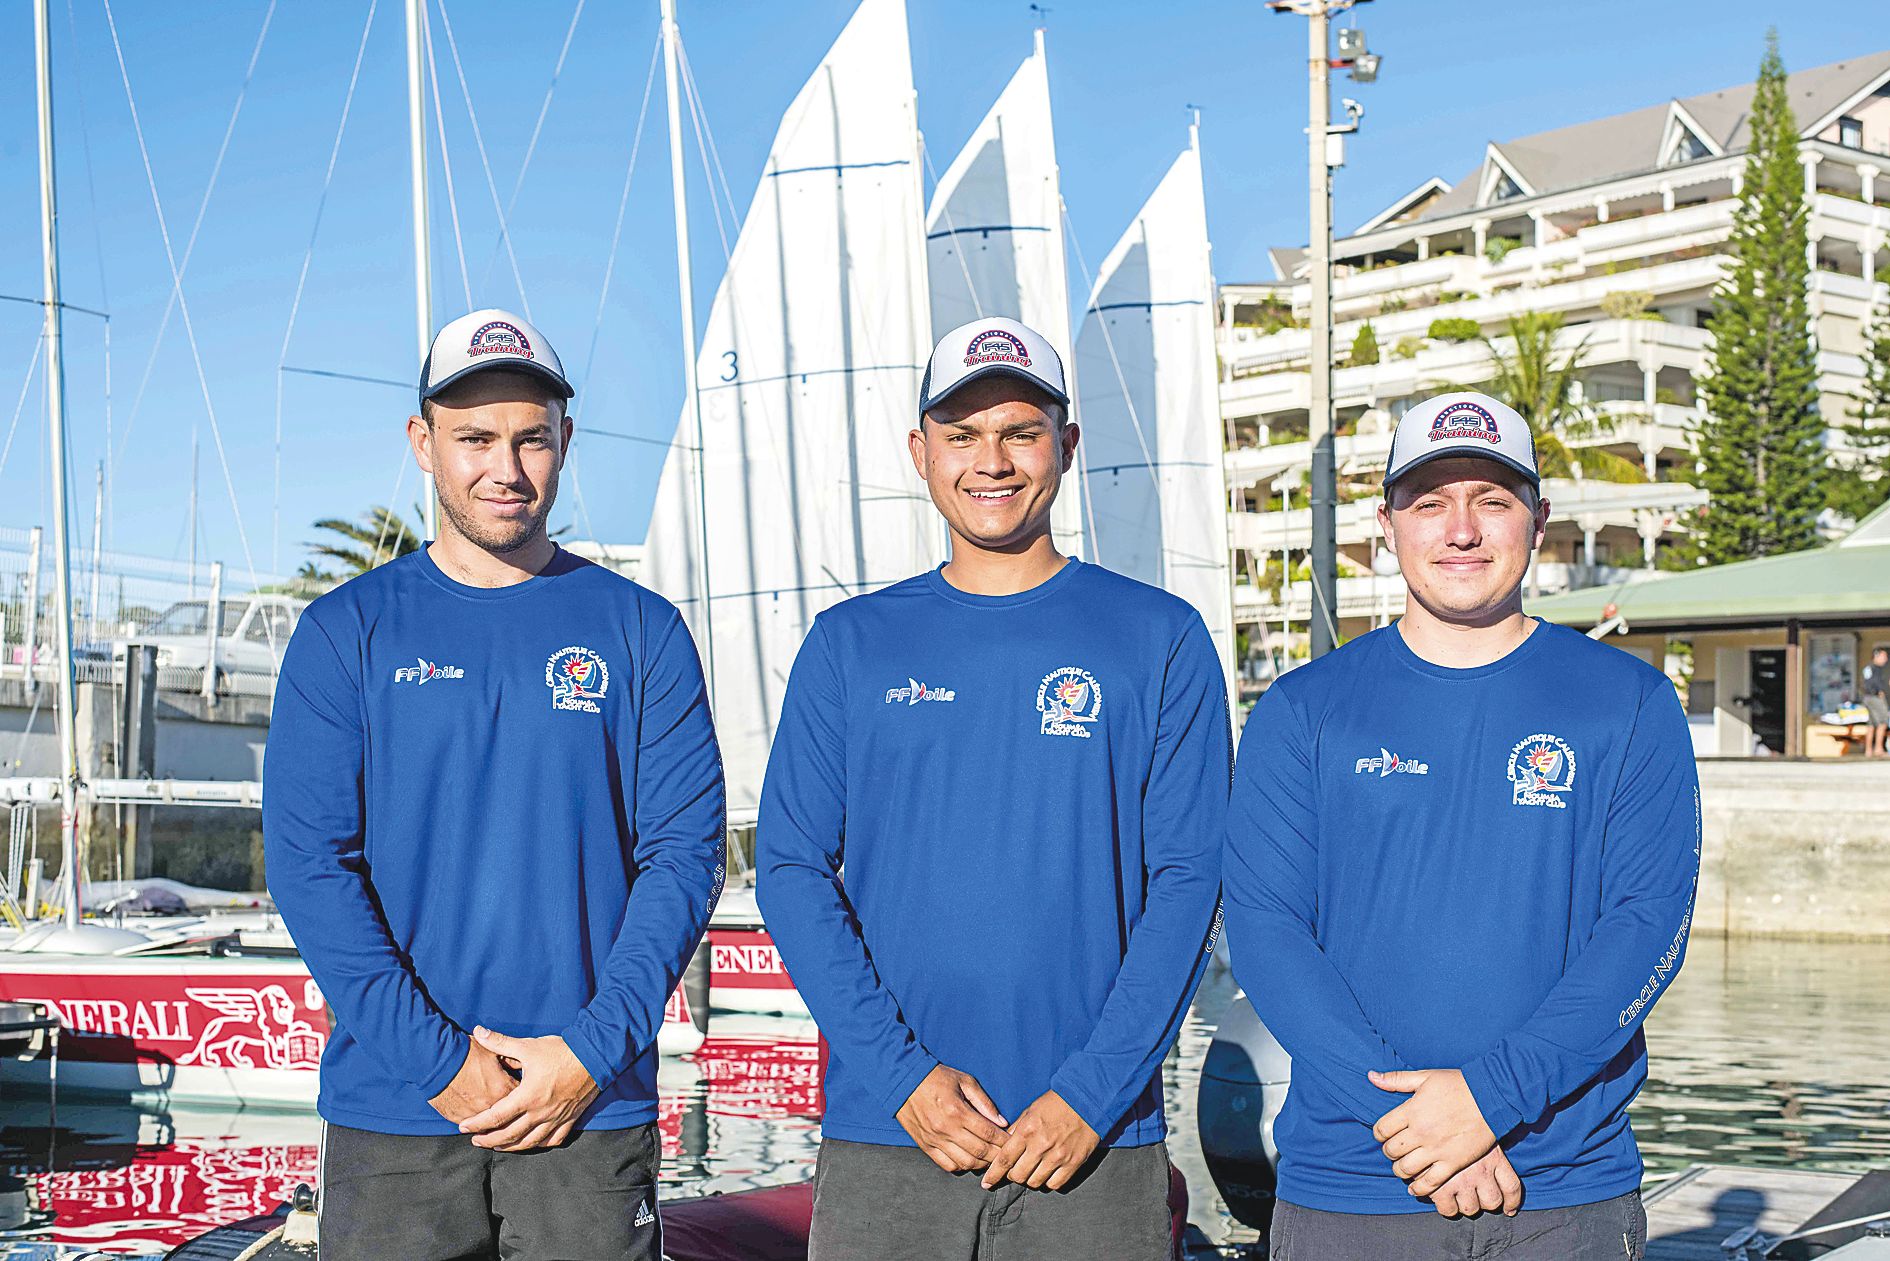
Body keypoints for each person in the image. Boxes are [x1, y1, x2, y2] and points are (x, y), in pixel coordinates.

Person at [756, 316, 1229, 1261]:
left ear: (1067, 445)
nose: (992, 460)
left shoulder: (1161, 638)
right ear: (920, 452)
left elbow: (1189, 880)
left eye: (1020, 430)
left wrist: (1091, 1093)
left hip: (1092, 1146)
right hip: (892, 1135)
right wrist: (904, 1077)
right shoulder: (850, 645)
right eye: (963, 434)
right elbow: (791, 870)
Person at [264, 308, 725, 1260]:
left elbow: (683, 858)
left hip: (588, 1111)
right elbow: (312, 868)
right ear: (423, 444)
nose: (504, 469)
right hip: (397, 1111)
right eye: (474, 438)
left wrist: (593, 1052)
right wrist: (443, 1065)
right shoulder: (346, 632)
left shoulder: (642, 632)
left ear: (566, 441)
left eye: (530, 439)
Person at [1222, 392, 1701, 1260]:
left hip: (1561, 1188)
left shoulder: (1628, 702)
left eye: (1493, 499)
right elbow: (1265, 935)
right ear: (1388, 522)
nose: (1462, 529)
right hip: (1354, 1185)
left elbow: (1648, 928)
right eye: (1431, 501)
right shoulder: (1302, 709)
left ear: (1539, 520)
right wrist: (1413, 1122)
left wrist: (1491, 1097)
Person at [1862, 646, 1889, 757]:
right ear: (1876, 656)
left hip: (1870, 697)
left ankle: (1868, 750)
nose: (1886, 659)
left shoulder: (1878, 669)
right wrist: (1878, 691)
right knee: (1882, 722)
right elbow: (1868, 683)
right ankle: (1878, 749)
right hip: (1873, 697)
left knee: (1872, 724)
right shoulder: (1870, 668)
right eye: (1884, 656)